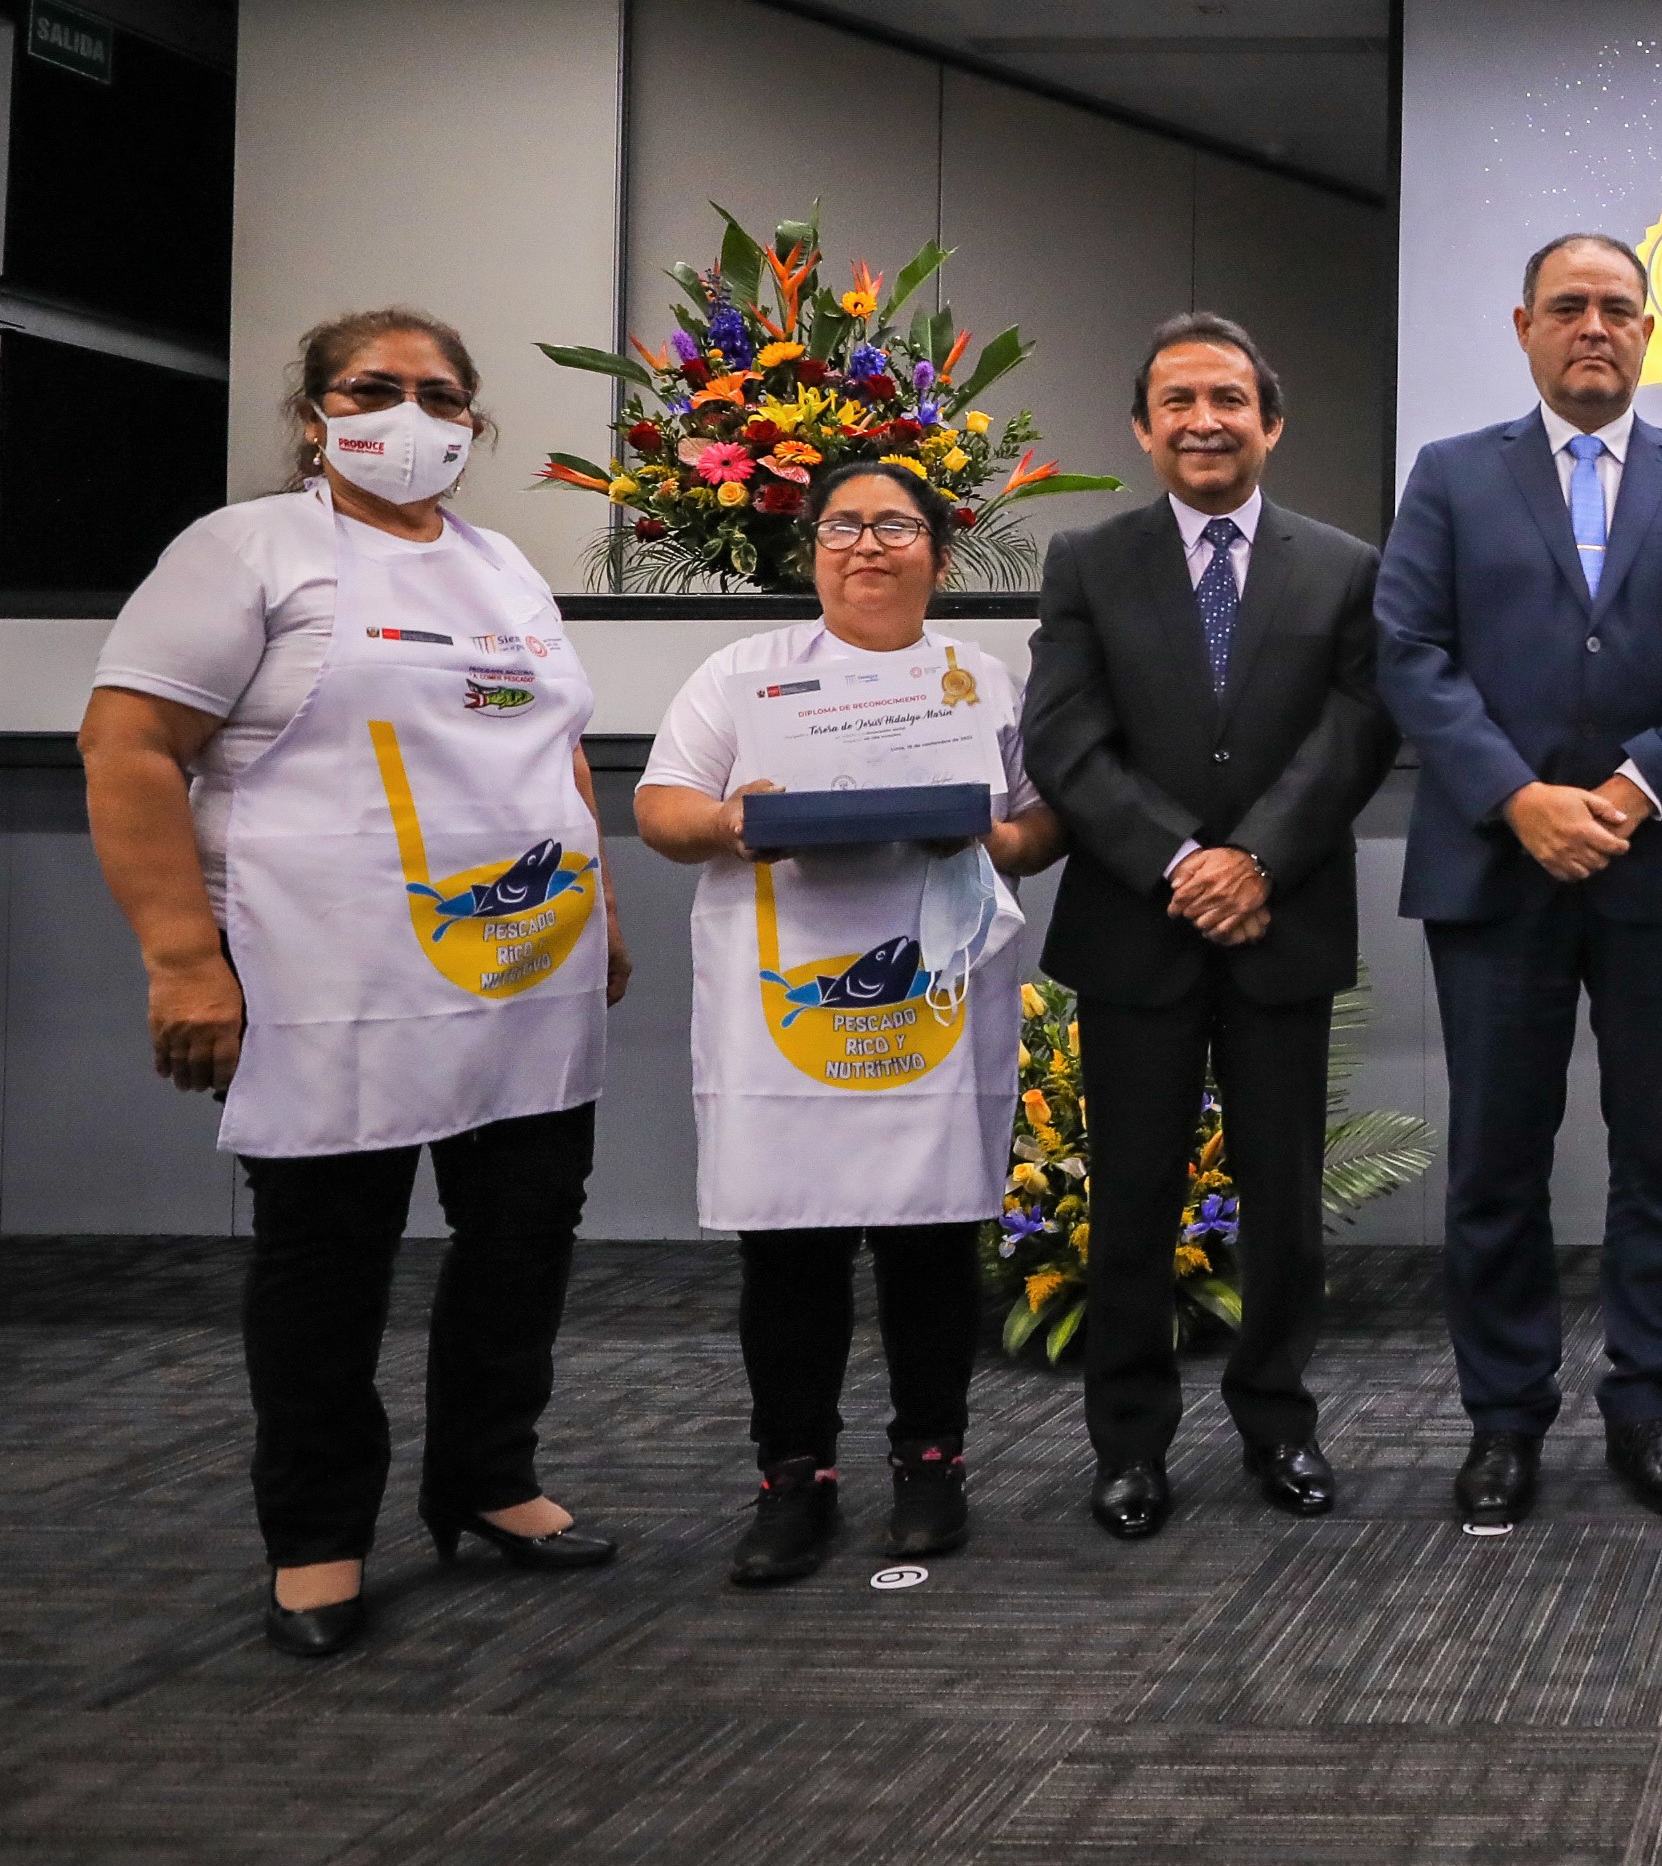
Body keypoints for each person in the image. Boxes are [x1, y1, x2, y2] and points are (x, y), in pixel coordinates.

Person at [81, 309, 630, 1659]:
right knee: (329, 1265)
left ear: (473, 421)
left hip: (520, 971)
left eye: (441, 394)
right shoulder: (246, 550)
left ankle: (490, 1480)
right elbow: (128, 743)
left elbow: (557, 758)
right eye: (373, 388)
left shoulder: (503, 567)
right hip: (325, 979)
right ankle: (317, 1537)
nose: (410, 414)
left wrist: (599, 907)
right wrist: (180, 958)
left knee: (521, 1245)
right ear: (315, 411)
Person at [1376, 232, 1662, 1527]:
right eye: (1569, 307)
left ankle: (1650, 1405)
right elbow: (1411, 653)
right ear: (1524, 326)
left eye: (1617, 307)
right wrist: (1520, 798)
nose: (1593, 326)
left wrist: (1624, 791)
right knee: (1498, 1155)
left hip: (1660, 866)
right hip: (1497, 868)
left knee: (1661, 1153)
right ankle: (1503, 1421)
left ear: (1651, 331)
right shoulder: (1449, 477)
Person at [636, 463, 1066, 1583]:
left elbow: (1037, 824)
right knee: (791, 1248)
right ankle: (793, 1476)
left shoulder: (983, 679)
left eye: (893, 525)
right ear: (810, 548)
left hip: (933, 997)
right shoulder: (742, 674)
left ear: (941, 551)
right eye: (841, 525)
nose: (865, 545)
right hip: (784, 999)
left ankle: (931, 1463)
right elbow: (661, 809)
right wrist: (735, 824)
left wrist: (978, 840)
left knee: (930, 1240)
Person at [1024, 315, 1396, 1539]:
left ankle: (1278, 1425)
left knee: (1282, 1200)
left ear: (1270, 421)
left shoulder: (1344, 565)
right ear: (1141, 427)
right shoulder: (1086, 559)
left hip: (1279, 921)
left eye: (1228, 398)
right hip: (1140, 922)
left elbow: (1356, 730)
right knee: (1130, 1196)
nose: (1204, 419)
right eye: (1177, 400)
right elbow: (1064, 740)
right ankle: (1127, 1446)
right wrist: (1185, 861)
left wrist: (1258, 860)